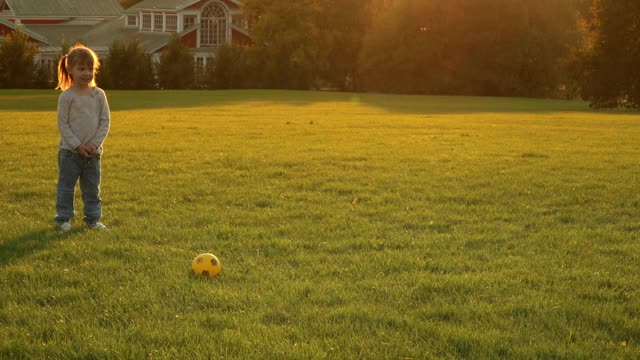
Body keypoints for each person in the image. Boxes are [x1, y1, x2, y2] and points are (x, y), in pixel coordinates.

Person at [54, 44, 110, 231]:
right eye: (81, 69)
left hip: (93, 154)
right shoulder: (67, 97)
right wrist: (78, 145)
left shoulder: (99, 95)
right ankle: (63, 219)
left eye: (90, 69)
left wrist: (94, 144)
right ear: (70, 70)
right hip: (70, 153)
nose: (87, 73)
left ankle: (93, 220)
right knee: (66, 188)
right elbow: (63, 125)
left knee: (92, 189)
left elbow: (105, 122)